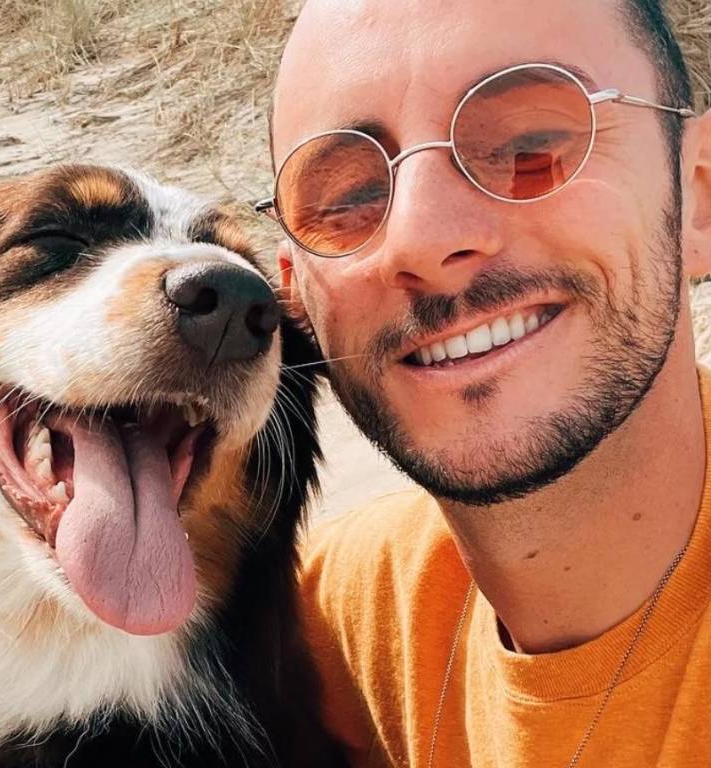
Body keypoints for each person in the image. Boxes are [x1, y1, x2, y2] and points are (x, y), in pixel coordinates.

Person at [263, 0, 711, 765]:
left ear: (698, 195)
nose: (422, 238)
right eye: (348, 201)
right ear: (297, 297)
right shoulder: (317, 627)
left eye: (527, 147)